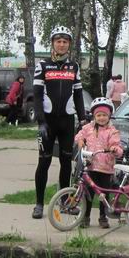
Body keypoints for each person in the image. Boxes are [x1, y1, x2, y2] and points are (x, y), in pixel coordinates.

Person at [31, 26, 86, 220]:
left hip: (67, 122)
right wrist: (41, 122)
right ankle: (38, 204)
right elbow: (36, 97)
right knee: (44, 162)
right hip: (48, 122)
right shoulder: (43, 66)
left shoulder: (74, 67)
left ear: (69, 45)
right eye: (58, 41)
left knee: (66, 164)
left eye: (65, 41)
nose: (61, 44)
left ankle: (64, 202)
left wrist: (84, 120)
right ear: (53, 43)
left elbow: (78, 95)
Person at [74, 97, 123, 229]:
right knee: (88, 193)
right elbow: (79, 136)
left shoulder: (112, 131)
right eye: (99, 115)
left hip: (105, 168)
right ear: (94, 116)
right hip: (90, 167)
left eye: (104, 115)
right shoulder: (88, 128)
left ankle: (103, 217)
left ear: (109, 116)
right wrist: (80, 142)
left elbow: (116, 146)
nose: (101, 118)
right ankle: (86, 216)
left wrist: (114, 149)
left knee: (103, 194)